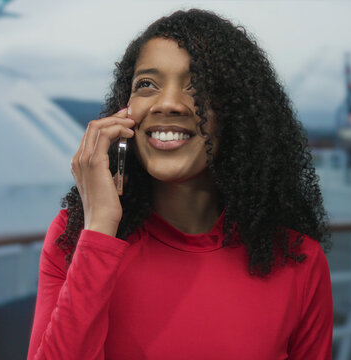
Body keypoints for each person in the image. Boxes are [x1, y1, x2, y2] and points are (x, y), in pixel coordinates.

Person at [27, 9, 332, 360]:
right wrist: (98, 232)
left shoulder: (299, 260)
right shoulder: (74, 236)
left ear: (237, 115)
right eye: (147, 85)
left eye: (198, 86)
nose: (168, 103)